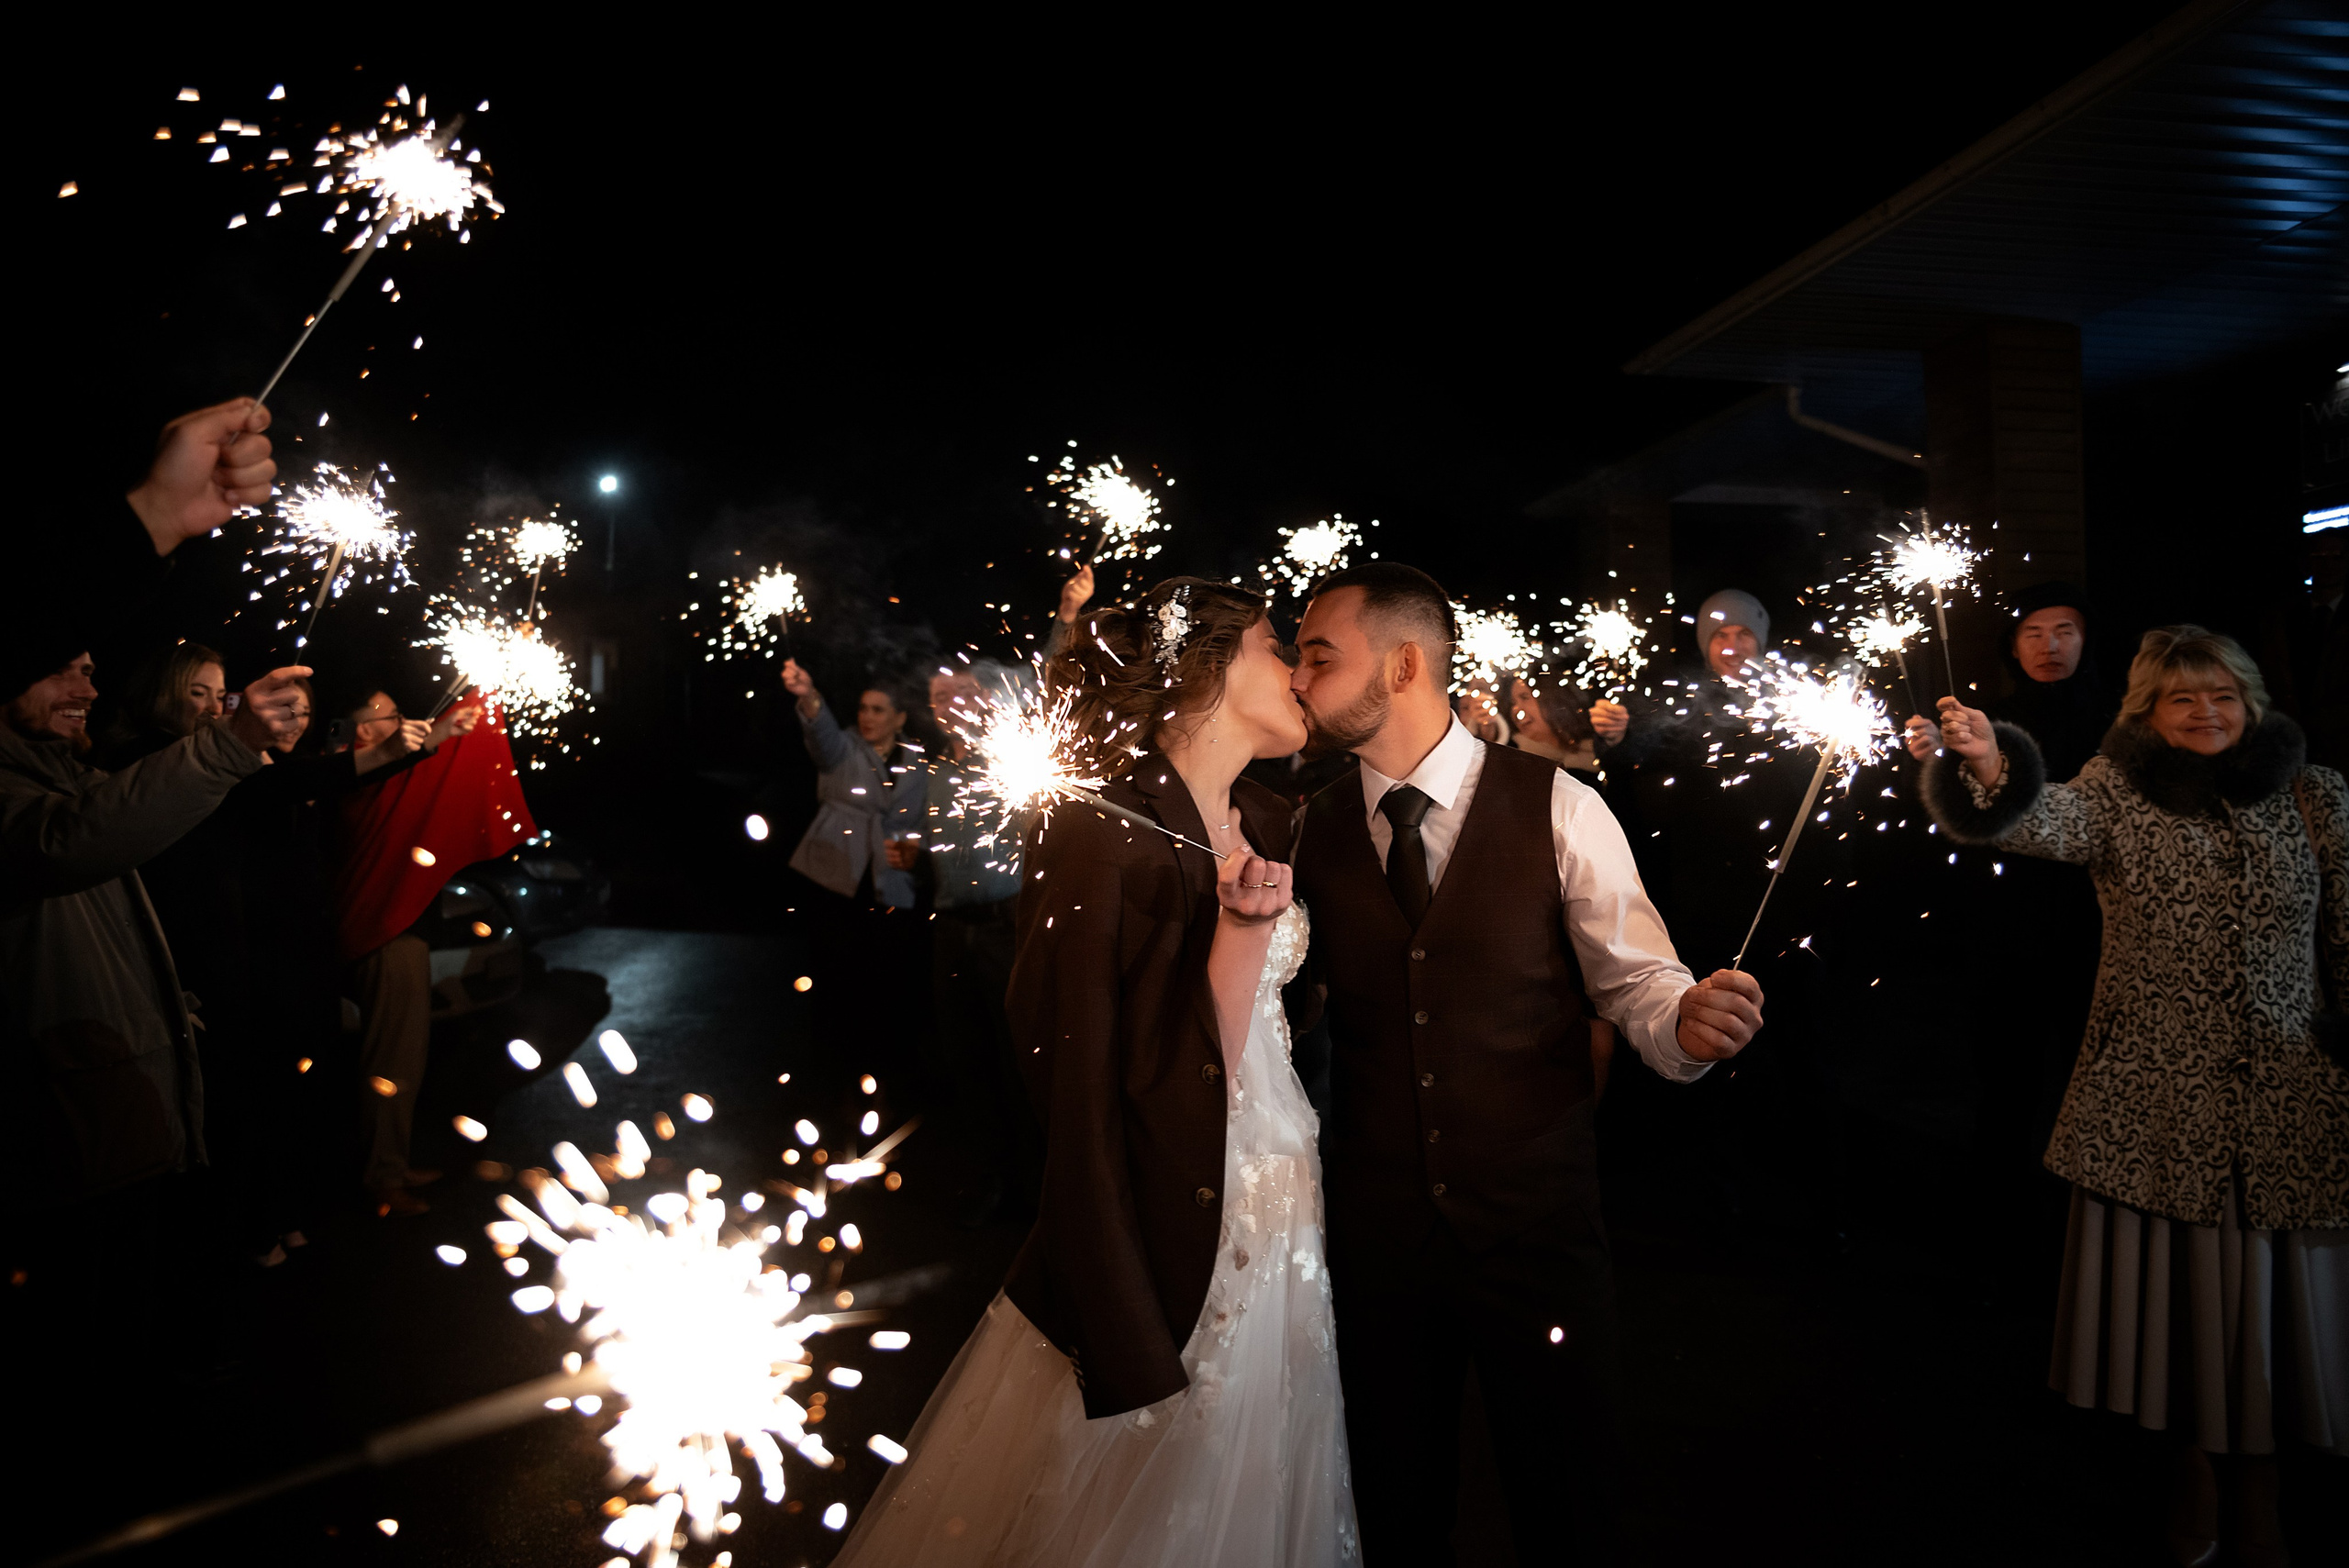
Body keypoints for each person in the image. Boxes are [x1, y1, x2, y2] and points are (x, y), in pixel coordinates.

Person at [834, 579, 1358, 1566]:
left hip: (1281, 1196)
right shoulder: (1100, 832)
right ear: (1204, 669)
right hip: (1164, 1204)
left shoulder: (1270, 816)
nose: (1296, 669)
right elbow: (1073, 1092)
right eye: (1271, 645)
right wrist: (1115, 1302)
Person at [1286, 562, 1765, 1562]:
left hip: (1535, 1225)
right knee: (1390, 1493)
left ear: (1404, 661)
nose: (1296, 677)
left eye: (1317, 655)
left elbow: (1637, 981)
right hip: (1374, 1233)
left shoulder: (1560, 806)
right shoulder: (1311, 825)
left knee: (1565, 1495)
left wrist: (1684, 1023)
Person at [1924, 626, 2348, 1566]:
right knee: (2189, 1307)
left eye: (2222, 696)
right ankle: (2196, 1466)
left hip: (2290, 1099)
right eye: (2180, 699)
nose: (2205, 713)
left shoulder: (2315, 796)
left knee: (2277, 1310)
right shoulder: (2116, 795)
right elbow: (2035, 820)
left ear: (2252, 703)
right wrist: (1990, 760)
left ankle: (2265, 1476)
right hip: (2159, 1100)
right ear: (2146, 714)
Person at [329, 687, 489, 1216]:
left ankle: (390, 1164)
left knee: (406, 1058)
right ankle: (383, 1179)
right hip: (383, 934)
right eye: (391, 717)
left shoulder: (383, 769)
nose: (405, 722)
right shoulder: (357, 776)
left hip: (401, 932)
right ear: (362, 734)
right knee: (390, 1063)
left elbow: (434, 750)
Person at [901, 662, 1039, 1222]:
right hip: (951, 930)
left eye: (960, 694)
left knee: (1015, 1057)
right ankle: (993, 1177)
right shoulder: (935, 768)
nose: (949, 704)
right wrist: (913, 858)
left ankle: (1035, 1185)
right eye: (939, 696)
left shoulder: (1008, 761)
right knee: (967, 1057)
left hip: (1006, 928)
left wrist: (1069, 615)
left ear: (982, 702)